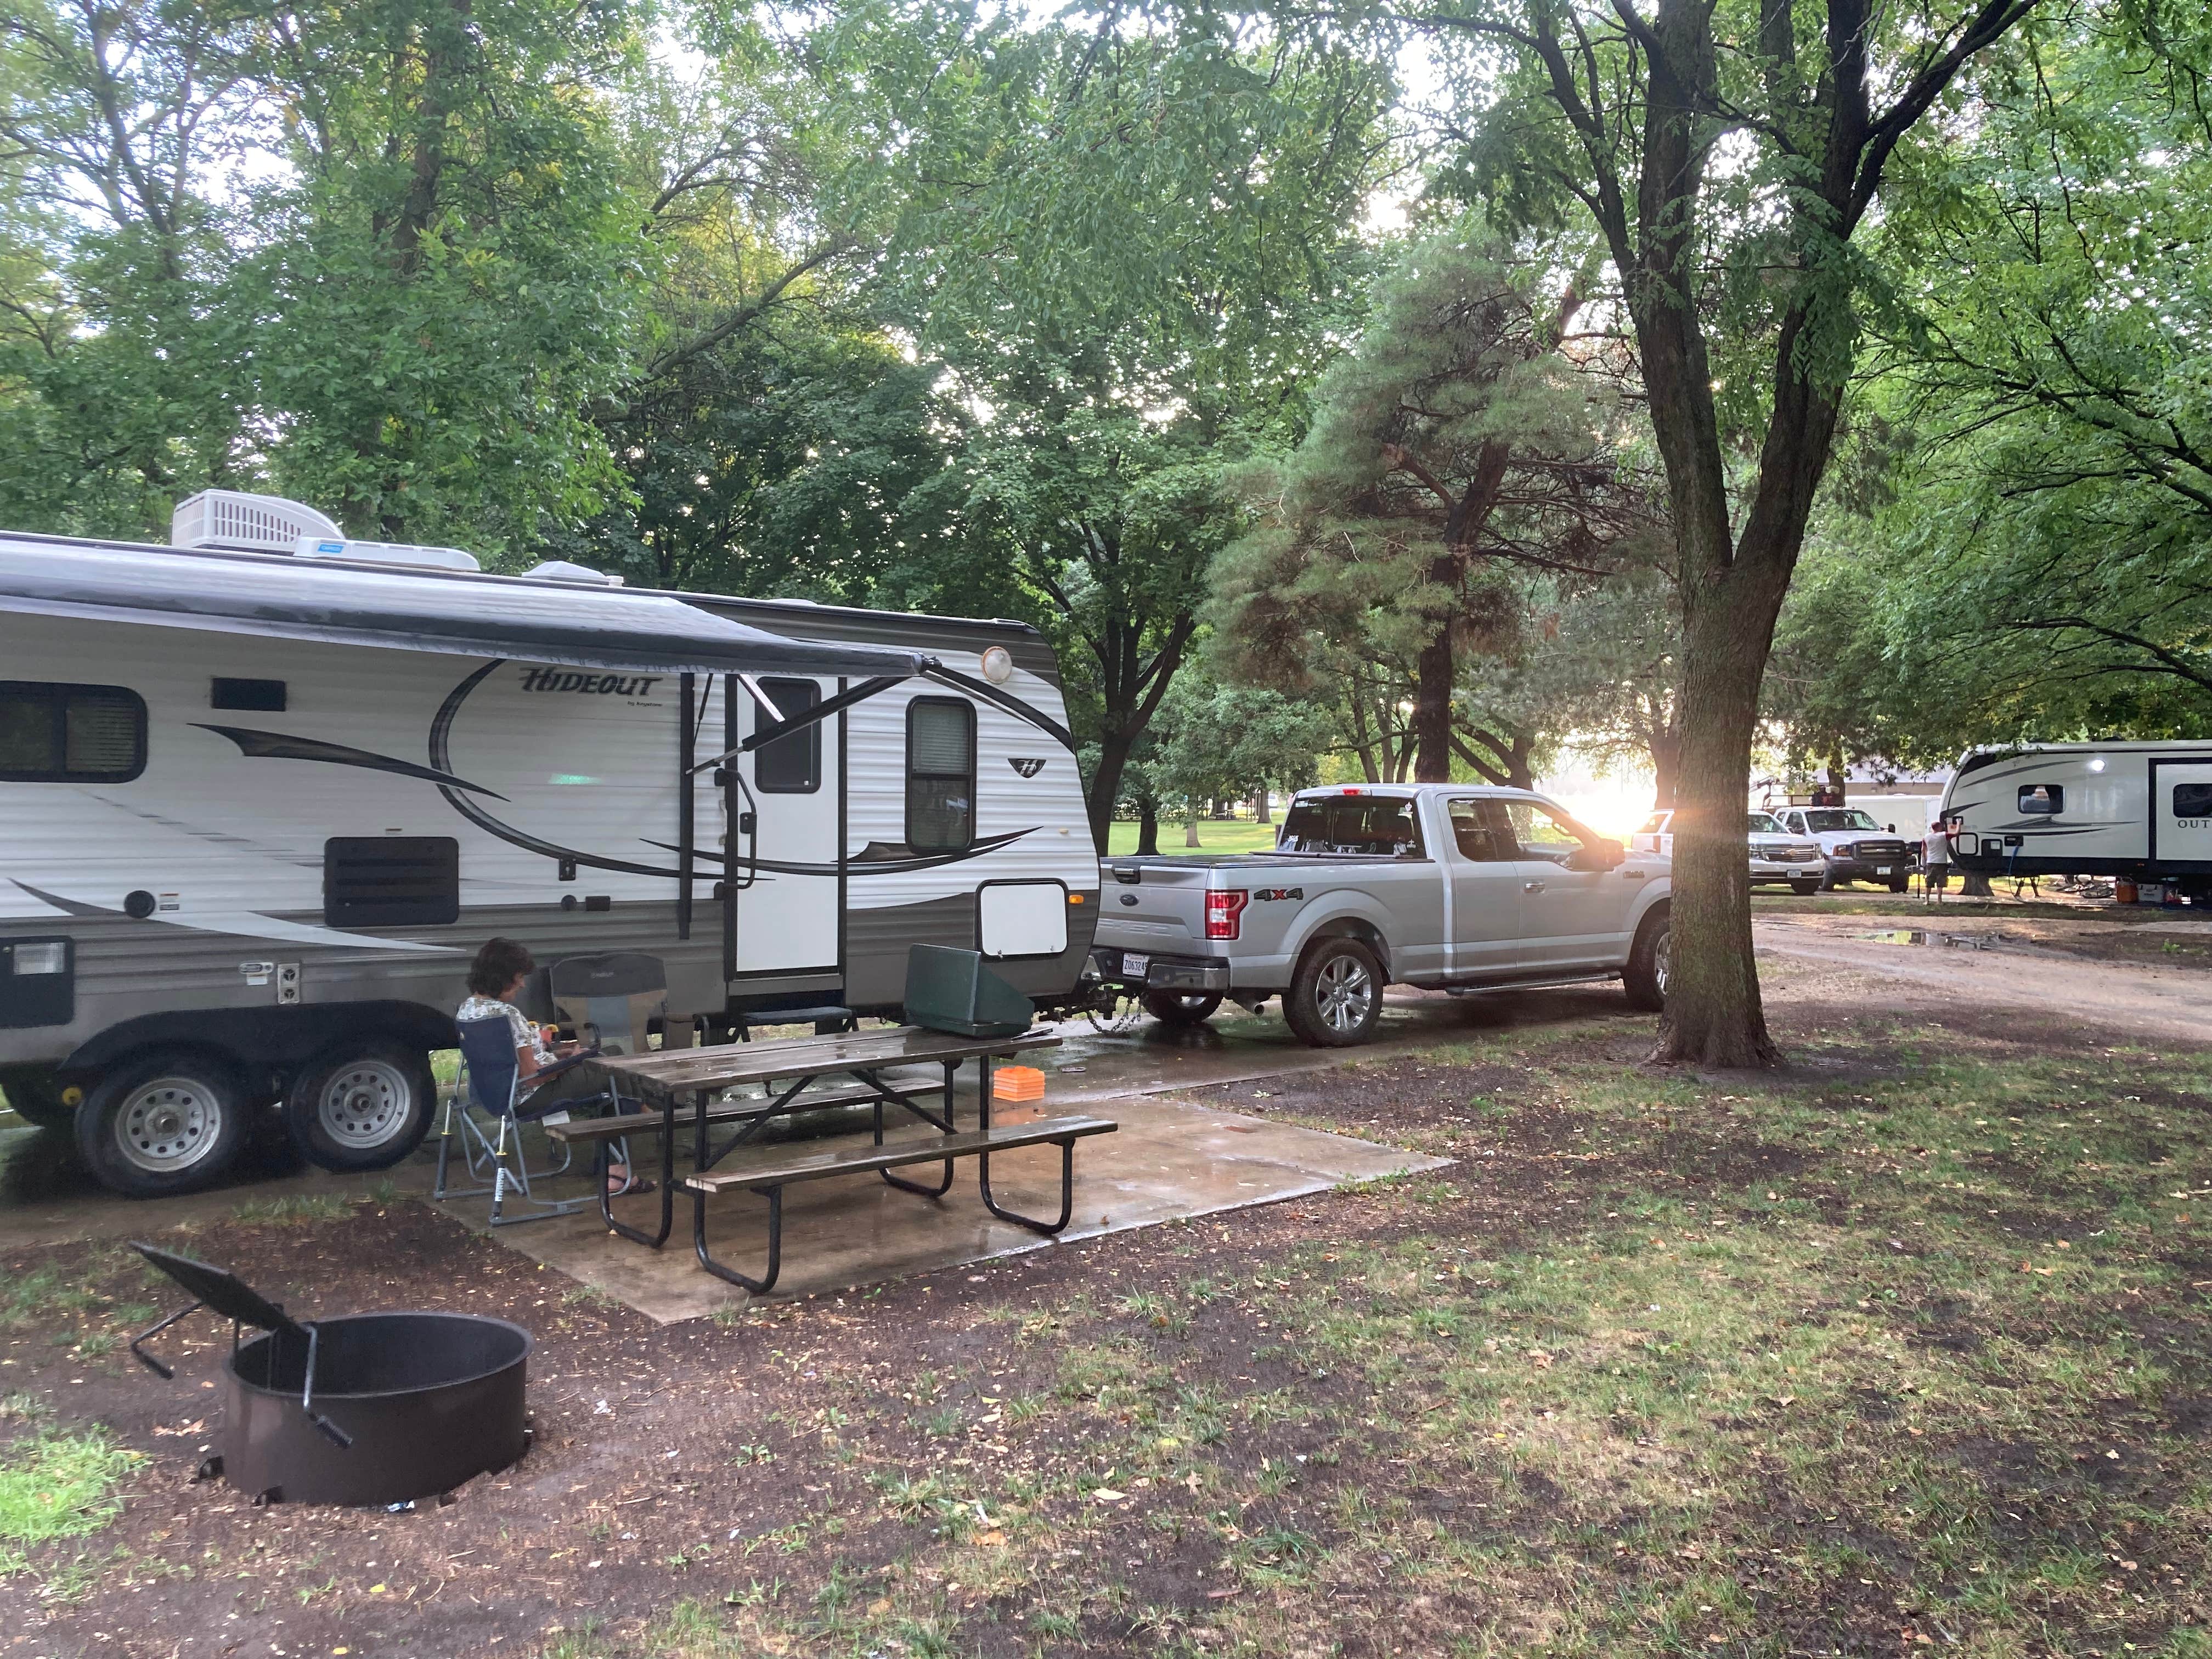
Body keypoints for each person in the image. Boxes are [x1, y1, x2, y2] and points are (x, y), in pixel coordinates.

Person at [458, 937, 644, 1195]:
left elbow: (508, 1061)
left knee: (612, 1054)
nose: (523, 984)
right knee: (615, 1072)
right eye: (518, 976)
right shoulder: (508, 1015)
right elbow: (533, 1077)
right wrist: (571, 1062)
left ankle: (628, 1134)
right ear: (500, 977)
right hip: (530, 1095)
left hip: (497, 1094)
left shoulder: (468, 1010)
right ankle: (619, 1168)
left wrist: (558, 1053)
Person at [1922, 812, 1951, 903]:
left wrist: (1926, 859)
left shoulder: (1926, 837)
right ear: (1939, 828)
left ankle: (1927, 900)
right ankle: (1939, 900)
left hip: (1931, 862)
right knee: (1940, 882)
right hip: (1941, 862)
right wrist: (1958, 824)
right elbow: (1957, 833)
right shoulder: (1944, 835)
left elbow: (1923, 850)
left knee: (1929, 882)